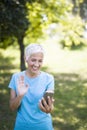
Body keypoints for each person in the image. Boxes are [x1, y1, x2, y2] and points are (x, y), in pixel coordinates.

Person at [8, 43, 55, 130]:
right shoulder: (16, 77)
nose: (36, 64)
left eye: (40, 61)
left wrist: (48, 109)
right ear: (26, 58)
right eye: (33, 60)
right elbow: (12, 107)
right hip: (22, 125)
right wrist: (20, 96)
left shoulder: (49, 78)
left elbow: (50, 108)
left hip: (43, 125)